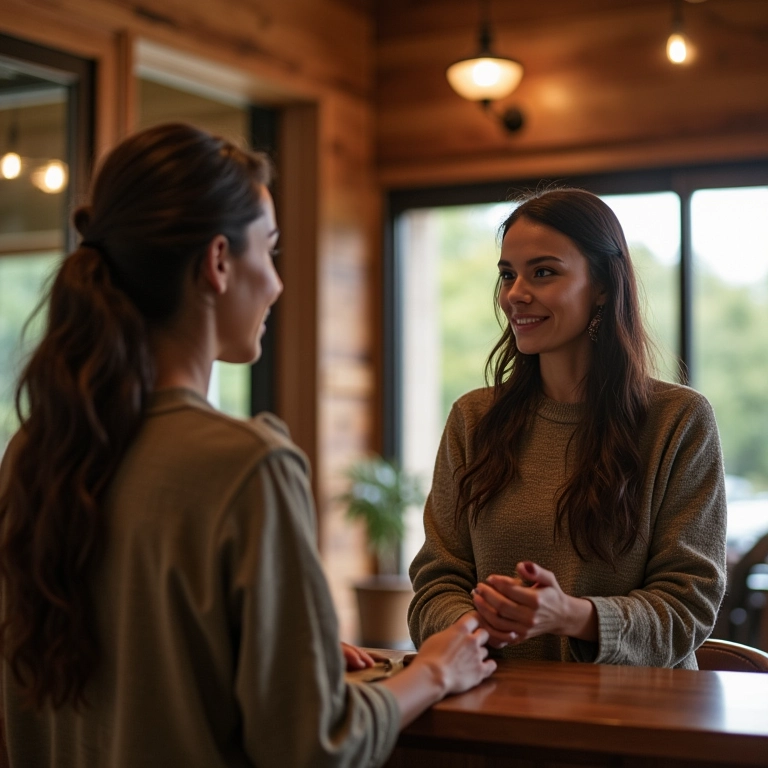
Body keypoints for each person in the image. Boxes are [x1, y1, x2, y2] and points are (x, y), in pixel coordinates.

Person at [0, 123, 496, 768]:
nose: (277, 283)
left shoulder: (35, 455)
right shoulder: (246, 465)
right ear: (218, 263)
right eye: (271, 250)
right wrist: (434, 671)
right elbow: (314, 748)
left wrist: (286, 661)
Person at [408, 188, 727, 668]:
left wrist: (571, 616)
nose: (516, 294)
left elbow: (689, 605)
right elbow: (436, 582)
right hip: (493, 706)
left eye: (544, 272)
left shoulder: (678, 420)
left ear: (602, 284)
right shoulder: (472, 419)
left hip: (636, 721)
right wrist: (473, 627)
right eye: (508, 275)